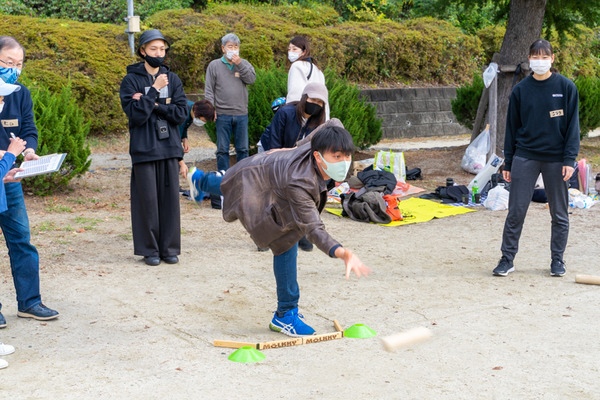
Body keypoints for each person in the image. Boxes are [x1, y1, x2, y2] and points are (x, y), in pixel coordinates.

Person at [187, 120, 371, 336]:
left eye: (347, 156)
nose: (344, 162)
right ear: (317, 156)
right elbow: (313, 227)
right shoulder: (300, 181)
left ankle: (199, 179)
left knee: (233, 185)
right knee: (282, 236)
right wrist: (341, 252)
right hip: (258, 175)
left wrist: (294, 147)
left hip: (274, 172)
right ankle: (285, 314)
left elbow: (333, 122)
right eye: (337, 156)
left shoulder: (319, 146)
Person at [493, 39, 580, 277]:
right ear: (529, 59)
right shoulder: (521, 90)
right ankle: (507, 259)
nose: (539, 61)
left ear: (552, 59)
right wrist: (508, 162)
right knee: (516, 211)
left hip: (556, 159)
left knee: (559, 213)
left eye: (544, 57)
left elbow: (573, 127)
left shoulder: (566, 87)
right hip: (525, 156)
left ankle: (557, 260)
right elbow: (511, 129)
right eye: (535, 57)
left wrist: (569, 160)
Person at [0, 36, 59, 324]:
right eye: (8, 63)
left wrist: (30, 151)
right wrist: (6, 155)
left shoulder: (20, 93)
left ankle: (30, 302)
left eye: (19, 64)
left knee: (21, 240)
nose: (14, 69)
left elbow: (29, 129)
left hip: (11, 180)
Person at [119, 29, 188, 266]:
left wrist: (153, 104)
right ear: (142, 51)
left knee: (170, 202)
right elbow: (137, 115)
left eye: (162, 49)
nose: (159, 53)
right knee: (147, 202)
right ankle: (149, 250)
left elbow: (180, 114)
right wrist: (155, 90)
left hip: (169, 147)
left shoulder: (173, 79)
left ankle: (169, 248)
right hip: (144, 148)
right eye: (153, 49)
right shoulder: (130, 81)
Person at [259, 82, 328, 251]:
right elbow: (274, 144)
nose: (316, 105)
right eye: (313, 100)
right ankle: (265, 235)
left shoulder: (317, 123)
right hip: (271, 153)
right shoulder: (285, 113)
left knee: (300, 193)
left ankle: (300, 233)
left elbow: (312, 149)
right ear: (305, 98)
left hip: (295, 158)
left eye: (320, 103)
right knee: (271, 196)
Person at [204, 33, 256, 171]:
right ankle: (223, 177)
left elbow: (251, 80)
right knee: (222, 150)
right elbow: (209, 90)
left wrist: (240, 64)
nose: (233, 49)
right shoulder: (214, 65)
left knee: (243, 149)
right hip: (222, 114)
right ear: (223, 48)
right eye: (230, 46)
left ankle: (242, 176)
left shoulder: (244, 64)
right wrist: (210, 110)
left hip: (241, 114)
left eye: (236, 46)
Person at [286, 36, 329, 120]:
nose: (290, 52)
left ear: (304, 52)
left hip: (302, 115)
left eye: (294, 49)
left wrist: (290, 115)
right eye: (289, 49)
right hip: (319, 116)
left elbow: (295, 93)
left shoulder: (297, 65)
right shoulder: (318, 70)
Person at [177, 99, 216, 179]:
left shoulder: (193, 109)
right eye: (203, 120)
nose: (203, 122)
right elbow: (175, 140)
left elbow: (185, 127)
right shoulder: (182, 113)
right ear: (196, 113)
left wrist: (185, 140)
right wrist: (181, 162)